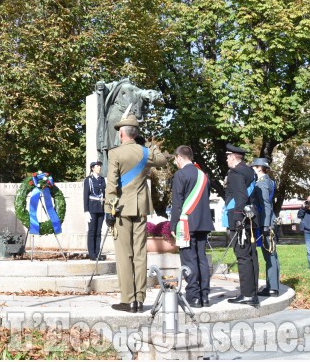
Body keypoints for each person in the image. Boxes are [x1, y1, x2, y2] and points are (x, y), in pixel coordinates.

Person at [104, 115, 166, 313]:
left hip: (121, 209)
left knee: (124, 254)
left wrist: (108, 209)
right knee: (140, 254)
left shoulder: (115, 153)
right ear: (136, 134)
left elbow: (112, 184)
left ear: (122, 133)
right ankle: (140, 299)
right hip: (140, 208)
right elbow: (163, 160)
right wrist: (149, 145)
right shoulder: (146, 152)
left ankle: (127, 299)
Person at [168, 145, 214, 308]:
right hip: (203, 222)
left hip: (186, 223)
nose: (176, 163)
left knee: (189, 259)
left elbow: (177, 203)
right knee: (201, 259)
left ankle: (193, 296)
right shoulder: (203, 175)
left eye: (175, 160)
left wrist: (173, 225)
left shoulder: (180, 175)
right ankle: (205, 296)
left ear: (179, 157)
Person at [224, 144, 260, 307]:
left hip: (239, 218)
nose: (226, 160)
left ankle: (247, 294)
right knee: (250, 255)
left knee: (242, 256)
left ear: (233, 157)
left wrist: (238, 219)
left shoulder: (236, 172)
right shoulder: (249, 170)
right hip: (249, 218)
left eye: (227, 157)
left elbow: (240, 196)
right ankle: (251, 292)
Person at [251, 158, 280, 296]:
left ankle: (272, 288)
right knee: (271, 254)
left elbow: (266, 205)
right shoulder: (269, 181)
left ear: (258, 168)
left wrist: (266, 225)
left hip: (265, 222)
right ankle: (273, 286)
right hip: (267, 221)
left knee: (269, 254)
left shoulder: (261, 183)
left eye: (253, 167)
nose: (252, 169)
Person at [83, 161, 106, 260]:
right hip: (92, 208)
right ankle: (92, 254)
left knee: (98, 231)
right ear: (92, 168)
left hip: (101, 208)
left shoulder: (102, 179)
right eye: (97, 166)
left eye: (100, 166)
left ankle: (97, 253)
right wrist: (86, 210)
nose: (99, 168)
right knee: (92, 231)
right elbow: (85, 196)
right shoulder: (89, 180)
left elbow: (104, 193)